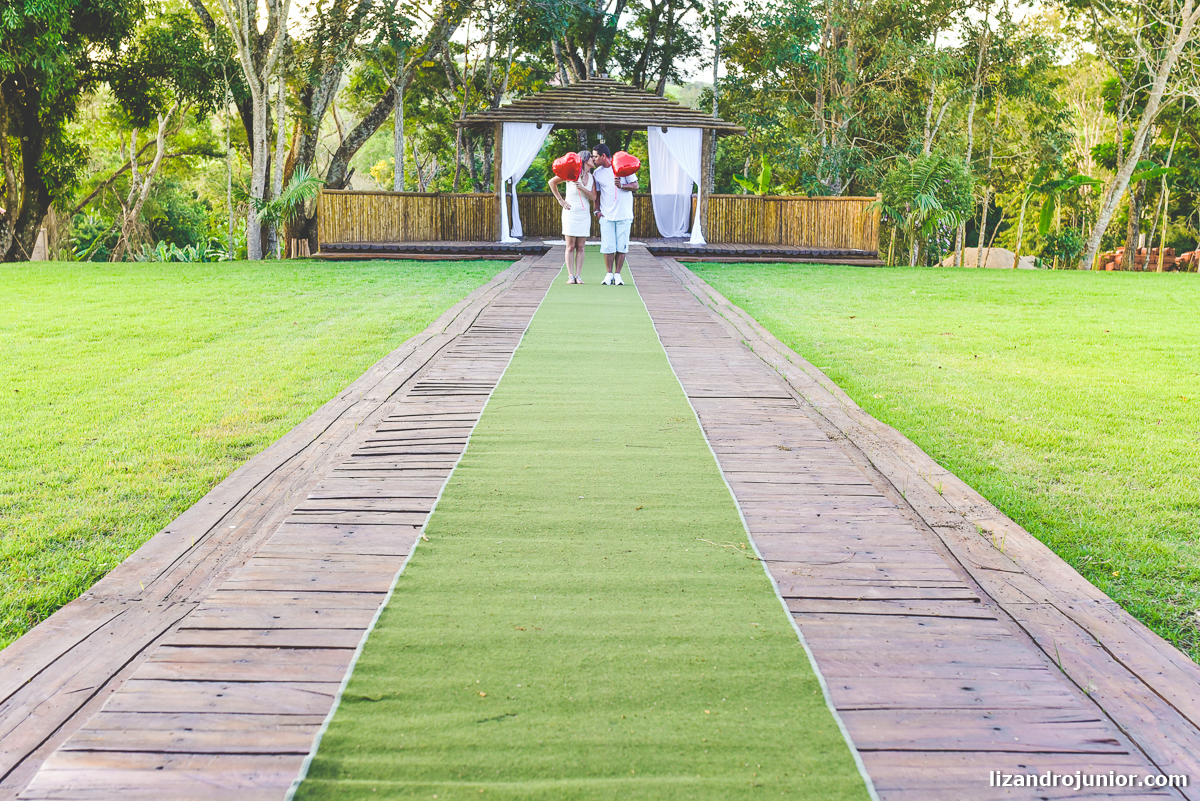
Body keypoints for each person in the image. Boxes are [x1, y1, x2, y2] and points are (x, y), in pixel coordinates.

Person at [590, 144, 638, 286]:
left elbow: (635, 186)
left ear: (603, 156)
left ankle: (618, 275)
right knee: (608, 246)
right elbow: (597, 194)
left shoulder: (623, 167)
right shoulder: (597, 173)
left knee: (622, 246)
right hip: (606, 215)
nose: (593, 159)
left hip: (624, 214)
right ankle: (608, 274)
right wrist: (596, 211)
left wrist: (622, 186)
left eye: (595, 156)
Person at [548, 151, 596, 284]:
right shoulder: (571, 174)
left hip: (584, 213)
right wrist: (560, 200)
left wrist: (582, 188)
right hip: (571, 212)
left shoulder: (592, 177)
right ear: (585, 160)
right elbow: (552, 182)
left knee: (581, 247)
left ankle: (578, 276)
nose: (593, 159)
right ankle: (570, 275)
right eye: (591, 157)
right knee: (570, 246)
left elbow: (593, 197)